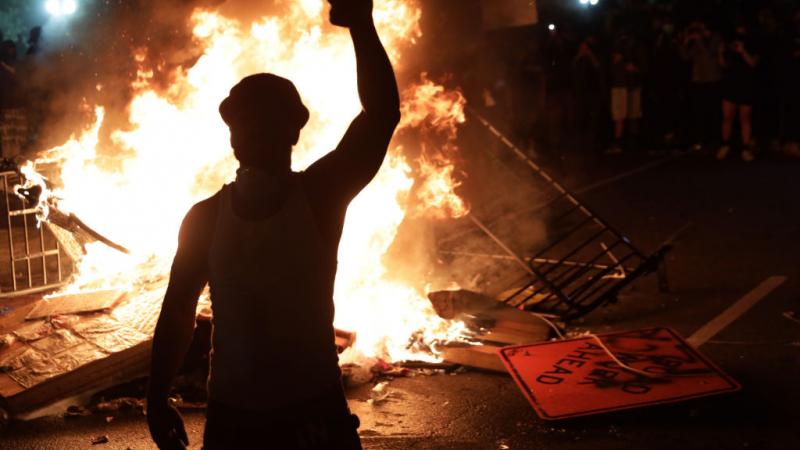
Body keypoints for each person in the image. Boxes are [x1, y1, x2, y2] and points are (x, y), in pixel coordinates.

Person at [145, 0, 400, 448]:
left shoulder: (319, 196)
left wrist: (361, 25)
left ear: (293, 131)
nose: (252, 130)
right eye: (245, 121)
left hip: (311, 416)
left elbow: (381, 116)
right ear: (232, 134)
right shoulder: (205, 218)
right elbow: (177, 312)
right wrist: (155, 398)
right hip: (235, 421)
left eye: (264, 120)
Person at [718, 23, 759, 162]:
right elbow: (723, 65)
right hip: (731, 84)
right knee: (727, 116)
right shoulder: (729, 44)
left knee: (745, 118)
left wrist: (743, 52)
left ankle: (746, 148)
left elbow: (753, 63)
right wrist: (720, 53)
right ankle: (725, 145)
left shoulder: (753, 43)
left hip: (746, 85)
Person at [680, 19, 723, 152]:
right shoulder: (697, 42)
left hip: (712, 79)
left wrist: (699, 40)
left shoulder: (716, 38)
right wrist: (684, 43)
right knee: (699, 111)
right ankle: (701, 139)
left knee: (713, 111)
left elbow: (711, 54)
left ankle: (715, 140)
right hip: (699, 80)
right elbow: (685, 57)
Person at [607, 31, 644, 154]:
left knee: (630, 114)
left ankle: (628, 142)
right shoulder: (618, 48)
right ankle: (624, 142)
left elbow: (640, 66)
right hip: (622, 85)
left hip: (629, 85)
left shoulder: (635, 47)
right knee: (622, 115)